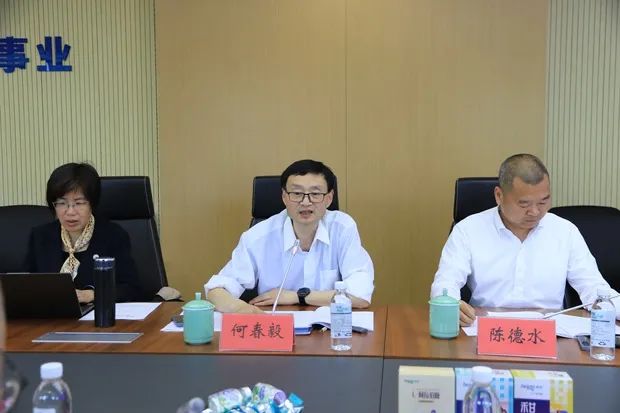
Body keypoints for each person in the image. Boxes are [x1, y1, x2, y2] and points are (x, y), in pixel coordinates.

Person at [430, 153, 620, 326]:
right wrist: (450, 305)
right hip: (487, 331)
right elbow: (446, 282)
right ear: (499, 195)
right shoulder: (468, 230)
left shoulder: (565, 231)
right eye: (524, 204)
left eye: (543, 201)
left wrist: (611, 305)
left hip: (550, 335)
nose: (535, 212)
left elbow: (593, 287)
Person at [205, 159, 374, 313]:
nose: (306, 202)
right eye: (297, 193)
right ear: (285, 197)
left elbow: (360, 295)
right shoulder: (259, 236)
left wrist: (298, 296)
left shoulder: (342, 228)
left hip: (329, 328)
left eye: (315, 194)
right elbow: (216, 291)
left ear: (329, 198)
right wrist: (242, 309)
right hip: (276, 327)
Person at [24, 163, 142, 303]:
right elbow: (24, 286)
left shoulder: (113, 236)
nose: (70, 212)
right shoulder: (40, 236)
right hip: (50, 314)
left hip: (95, 314)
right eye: (62, 203)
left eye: (79, 203)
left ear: (92, 204)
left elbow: (132, 289)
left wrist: (93, 295)